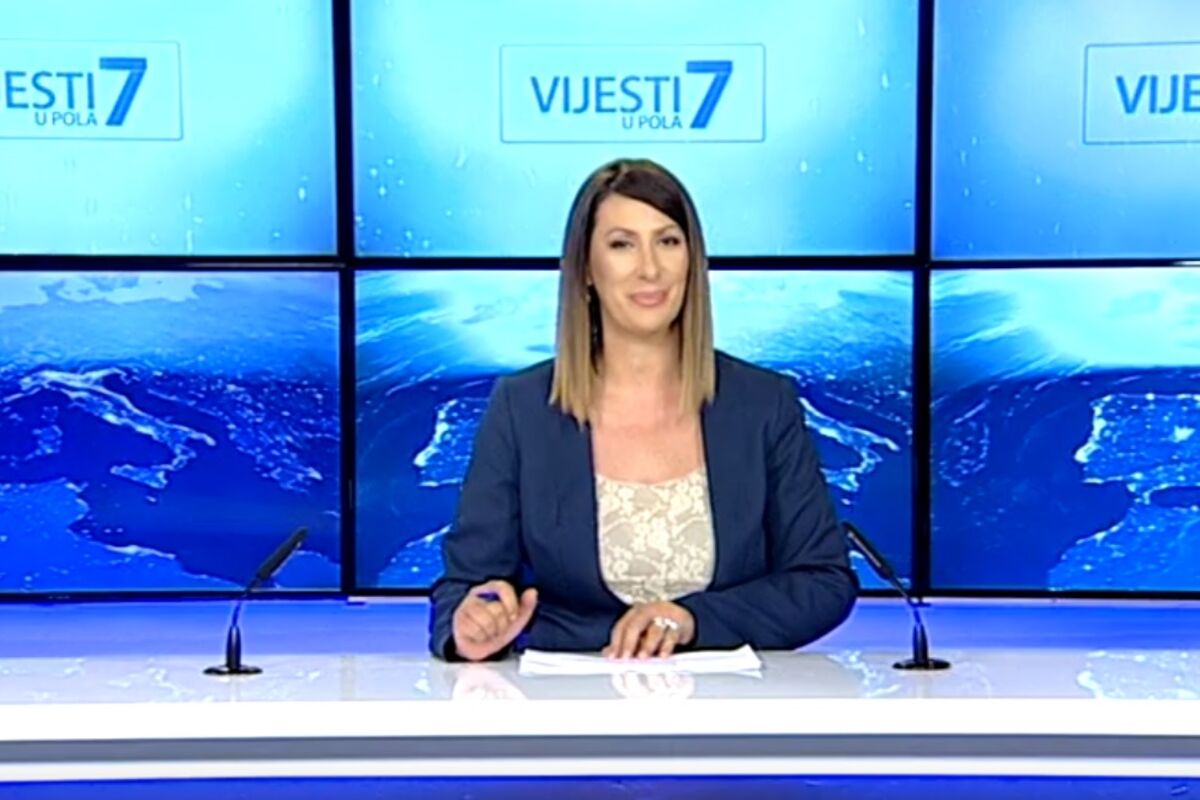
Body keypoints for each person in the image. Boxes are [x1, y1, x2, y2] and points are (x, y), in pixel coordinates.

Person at [430, 159, 857, 662]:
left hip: (731, 701)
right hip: (565, 701)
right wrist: (472, 624)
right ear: (586, 269)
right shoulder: (522, 408)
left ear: (691, 261)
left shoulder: (764, 403)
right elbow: (466, 587)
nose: (650, 268)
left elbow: (822, 582)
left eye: (668, 241)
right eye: (622, 245)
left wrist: (693, 620)